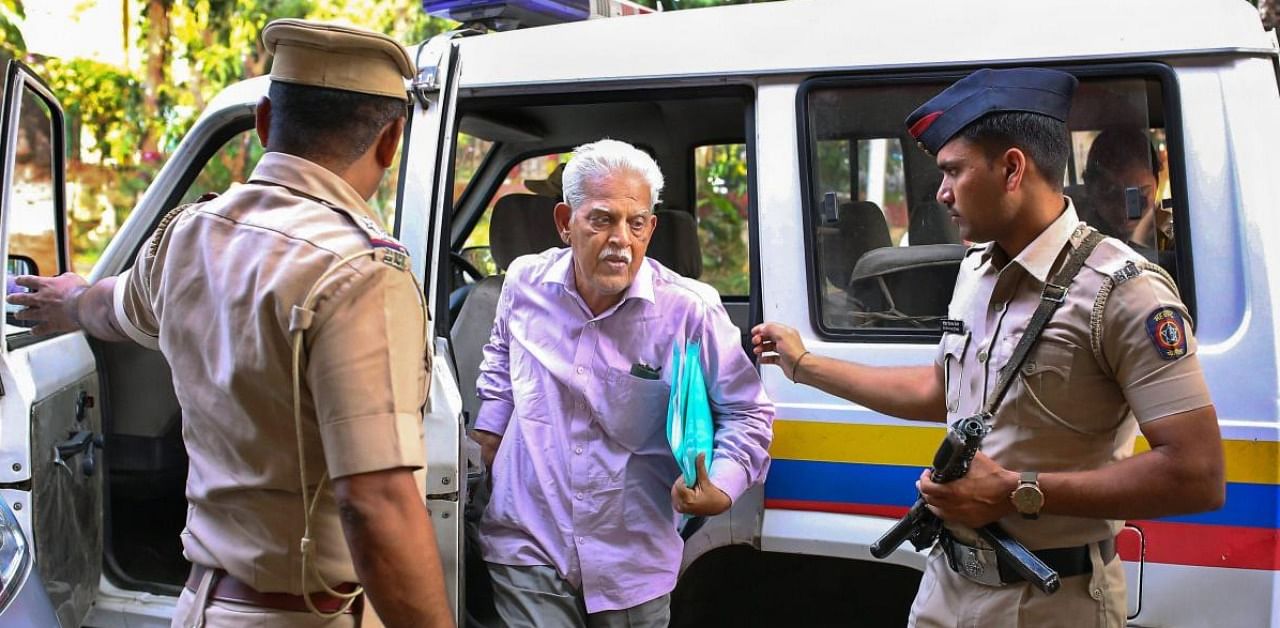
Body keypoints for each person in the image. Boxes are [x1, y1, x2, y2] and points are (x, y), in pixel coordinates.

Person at [11, 19, 453, 628]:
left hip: (201, 606)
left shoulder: (190, 233)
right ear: (391, 141)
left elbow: (111, 307)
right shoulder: (362, 271)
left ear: (265, 121)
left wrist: (70, 299)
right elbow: (376, 503)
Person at [753, 68, 1223, 627]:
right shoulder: (977, 270)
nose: (941, 192)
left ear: (1012, 168)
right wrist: (805, 364)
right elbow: (941, 390)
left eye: (953, 171)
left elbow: (1197, 473)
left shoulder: (1123, 291)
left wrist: (1018, 493)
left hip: (1052, 601)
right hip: (945, 588)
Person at [470, 138, 773, 627]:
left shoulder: (688, 310)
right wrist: (491, 430)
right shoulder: (524, 282)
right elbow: (501, 360)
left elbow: (747, 412)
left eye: (636, 224)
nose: (621, 240)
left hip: (631, 553)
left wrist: (721, 484)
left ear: (651, 228)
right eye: (602, 220)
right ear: (566, 222)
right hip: (526, 539)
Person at [1076, 127, 1169, 260]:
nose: (1125, 208)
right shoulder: (1076, 233)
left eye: (1138, 195)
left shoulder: (1168, 230)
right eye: (1110, 194)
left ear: (1157, 183)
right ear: (1089, 189)